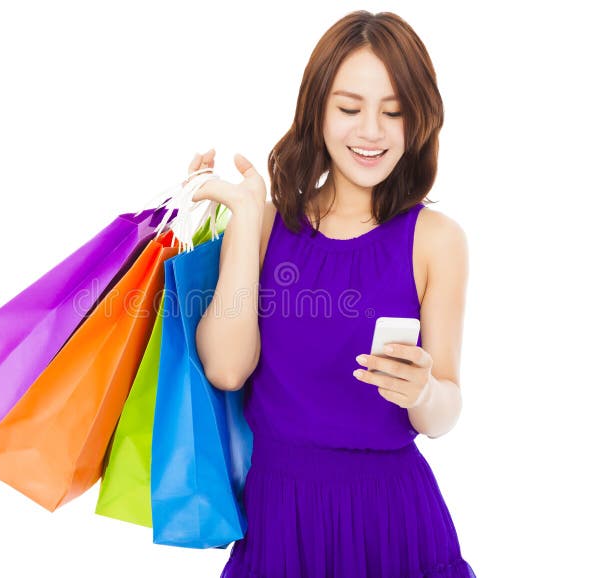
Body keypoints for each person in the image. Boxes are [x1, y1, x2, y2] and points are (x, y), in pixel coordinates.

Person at [190, 10, 476, 578]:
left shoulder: (436, 241)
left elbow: (444, 411)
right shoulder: (268, 225)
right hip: (280, 523)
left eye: (393, 112)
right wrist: (245, 218)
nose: (370, 131)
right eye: (349, 108)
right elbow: (226, 370)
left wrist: (421, 391)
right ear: (316, 110)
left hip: (395, 524)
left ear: (418, 122)